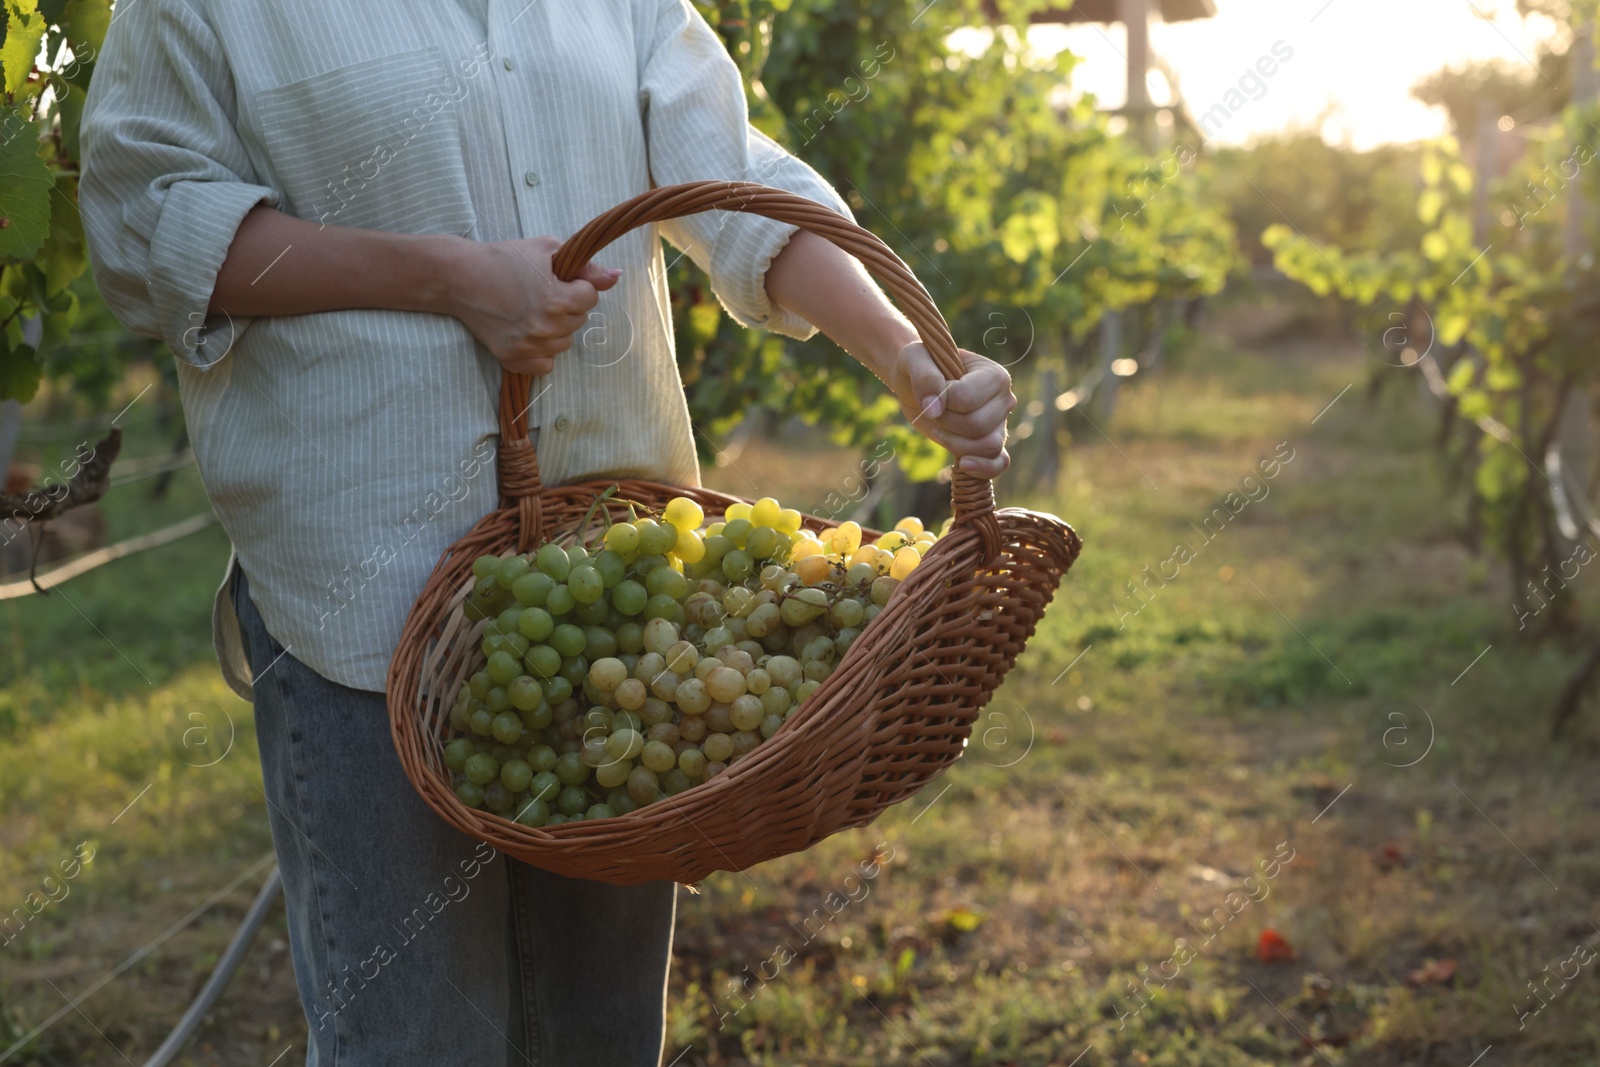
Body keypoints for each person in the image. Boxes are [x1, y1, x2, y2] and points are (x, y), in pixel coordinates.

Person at [78, 1, 1015, 1063]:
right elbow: (148, 220)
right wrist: (451, 278)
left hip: (618, 597)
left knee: (601, 1035)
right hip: (361, 600)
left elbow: (737, 183)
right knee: (416, 1039)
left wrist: (904, 355)